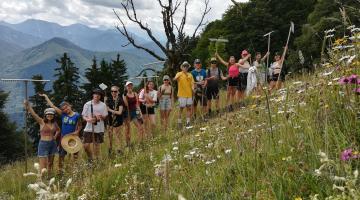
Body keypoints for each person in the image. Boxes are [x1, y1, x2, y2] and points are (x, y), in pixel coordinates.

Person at [40, 94, 82, 173]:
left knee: (75, 155)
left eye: (66, 107)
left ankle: (75, 171)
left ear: (69, 106)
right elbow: (52, 106)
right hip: (63, 138)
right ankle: (60, 172)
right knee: (61, 156)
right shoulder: (63, 114)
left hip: (73, 138)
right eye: (63, 109)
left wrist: (76, 132)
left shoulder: (77, 115)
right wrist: (46, 97)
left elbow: (80, 126)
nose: (65, 109)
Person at [23, 101, 59, 175]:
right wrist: (28, 106)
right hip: (43, 144)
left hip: (52, 144)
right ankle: (42, 180)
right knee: (43, 166)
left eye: (51, 114)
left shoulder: (54, 123)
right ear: (45, 115)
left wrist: (55, 136)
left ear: (53, 115)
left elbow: (58, 130)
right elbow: (34, 114)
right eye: (48, 114)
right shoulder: (41, 122)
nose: (50, 115)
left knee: (50, 163)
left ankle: (49, 178)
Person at [81, 89, 108, 161]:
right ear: (93, 95)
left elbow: (105, 116)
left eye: (99, 94)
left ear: (100, 96)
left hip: (99, 128)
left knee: (97, 146)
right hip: (89, 127)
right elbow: (83, 116)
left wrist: (100, 117)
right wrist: (88, 120)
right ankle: (90, 158)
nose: (97, 95)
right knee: (85, 145)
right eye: (95, 94)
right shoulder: (87, 104)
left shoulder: (103, 105)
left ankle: (97, 160)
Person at [123, 81, 144, 145]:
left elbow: (137, 104)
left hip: (134, 112)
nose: (129, 87)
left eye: (131, 85)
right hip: (127, 113)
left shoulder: (135, 94)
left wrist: (140, 113)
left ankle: (139, 143)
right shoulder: (124, 95)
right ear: (126, 87)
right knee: (127, 129)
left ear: (132, 86)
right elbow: (126, 104)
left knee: (140, 128)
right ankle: (128, 143)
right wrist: (124, 95)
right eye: (128, 86)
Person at [174, 61, 195, 128]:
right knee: (181, 109)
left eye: (186, 66)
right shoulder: (179, 73)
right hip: (181, 94)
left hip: (189, 94)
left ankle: (188, 122)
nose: (185, 67)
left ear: (188, 67)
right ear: (182, 67)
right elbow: (174, 79)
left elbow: (192, 84)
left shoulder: (190, 75)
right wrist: (176, 78)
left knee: (188, 108)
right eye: (184, 66)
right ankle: (179, 122)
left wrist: (193, 88)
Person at [105, 86, 125, 155]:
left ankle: (119, 150)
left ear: (118, 92)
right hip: (109, 120)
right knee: (110, 136)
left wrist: (110, 110)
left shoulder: (120, 100)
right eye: (112, 91)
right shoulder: (108, 100)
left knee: (118, 136)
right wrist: (105, 103)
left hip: (118, 121)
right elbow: (105, 109)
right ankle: (110, 150)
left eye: (115, 91)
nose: (113, 92)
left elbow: (120, 112)